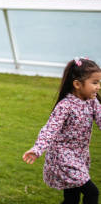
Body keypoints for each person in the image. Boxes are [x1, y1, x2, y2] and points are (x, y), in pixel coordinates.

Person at [23, 58, 101, 204]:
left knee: (72, 199)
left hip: (79, 156)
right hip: (63, 158)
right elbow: (50, 129)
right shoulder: (65, 106)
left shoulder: (92, 102)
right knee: (92, 192)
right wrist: (37, 148)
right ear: (77, 84)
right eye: (95, 83)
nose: (98, 87)